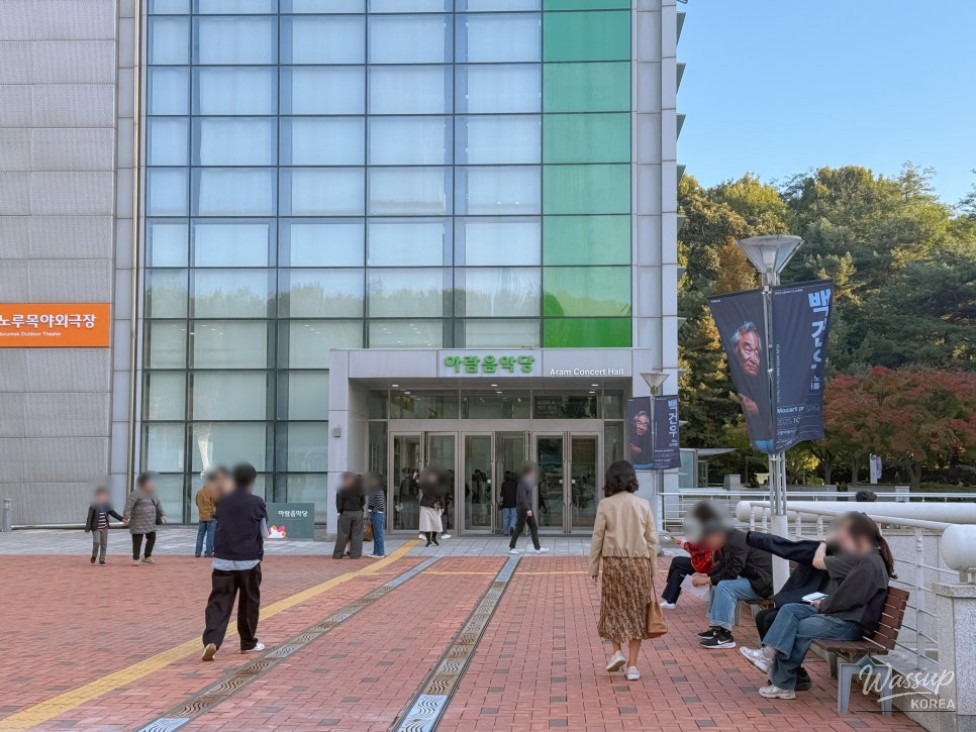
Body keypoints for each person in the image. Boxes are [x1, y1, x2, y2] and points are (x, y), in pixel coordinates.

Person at [739, 513, 895, 700]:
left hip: (849, 624)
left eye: (843, 537)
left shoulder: (870, 563)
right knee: (789, 609)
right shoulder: (865, 558)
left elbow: (850, 598)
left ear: (859, 538)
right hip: (840, 615)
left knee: (798, 627)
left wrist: (824, 605)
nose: (839, 541)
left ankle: (783, 684)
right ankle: (768, 655)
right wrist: (824, 604)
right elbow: (849, 596)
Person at [589, 460, 659, 682]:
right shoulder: (643, 504)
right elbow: (652, 540)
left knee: (612, 609)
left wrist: (593, 567)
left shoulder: (605, 505)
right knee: (637, 612)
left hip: (614, 564)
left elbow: (597, 537)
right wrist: (653, 569)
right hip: (639, 564)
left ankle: (616, 651)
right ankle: (633, 666)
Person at [739, 528, 833, 691]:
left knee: (771, 618)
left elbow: (789, 548)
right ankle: (792, 674)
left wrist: (755, 538)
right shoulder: (822, 549)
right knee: (763, 616)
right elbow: (790, 548)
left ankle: (788, 675)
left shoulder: (837, 554)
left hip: (821, 607)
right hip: (812, 602)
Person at [201, 462, 269, 662]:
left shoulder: (223, 501)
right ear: (252, 481)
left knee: (219, 602)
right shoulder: (257, 502)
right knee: (249, 602)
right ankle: (247, 643)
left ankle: (212, 641)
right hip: (248, 561)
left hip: (222, 561)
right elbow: (264, 532)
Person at [694, 520, 773, 649]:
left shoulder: (736, 542)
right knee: (716, 584)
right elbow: (725, 564)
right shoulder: (731, 538)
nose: (708, 545)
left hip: (764, 583)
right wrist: (708, 576)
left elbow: (733, 571)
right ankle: (717, 628)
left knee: (724, 587)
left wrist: (707, 580)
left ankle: (725, 636)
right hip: (756, 579)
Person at [123, 472, 166, 566]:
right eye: (149, 482)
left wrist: (163, 515)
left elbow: (158, 505)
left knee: (152, 538)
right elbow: (129, 506)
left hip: (150, 522)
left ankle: (147, 556)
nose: (151, 484)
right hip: (138, 522)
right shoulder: (136, 493)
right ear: (143, 484)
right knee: (137, 541)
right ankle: (136, 558)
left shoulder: (152, 493)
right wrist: (126, 517)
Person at [661, 536, 714, 609]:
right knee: (679, 571)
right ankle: (670, 601)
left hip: (704, 565)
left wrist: (682, 542)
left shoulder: (712, 536)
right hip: (704, 563)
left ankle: (670, 589)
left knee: (676, 561)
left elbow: (697, 549)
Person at [508, 462, 549, 555]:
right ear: (529, 473)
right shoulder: (523, 483)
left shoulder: (527, 482)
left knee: (533, 527)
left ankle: (537, 548)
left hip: (526, 508)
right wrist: (528, 509)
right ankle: (511, 547)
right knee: (519, 528)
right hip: (524, 509)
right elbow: (522, 498)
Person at [84, 485, 125, 565]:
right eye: (102, 495)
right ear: (97, 496)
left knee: (104, 544)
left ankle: (102, 560)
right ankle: (94, 555)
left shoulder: (106, 506)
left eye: (105, 495)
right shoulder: (93, 506)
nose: (105, 497)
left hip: (104, 527)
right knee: (97, 542)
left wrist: (122, 519)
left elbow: (113, 513)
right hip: (96, 528)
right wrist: (87, 528)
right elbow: (89, 518)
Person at [332, 473, 365, 559]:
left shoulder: (342, 489)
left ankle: (338, 554)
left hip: (346, 513)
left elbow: (338, 502)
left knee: (343, 534)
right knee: (357, 535)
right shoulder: (359, 489)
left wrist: (339, 511)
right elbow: (363, 502)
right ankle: (355, 554)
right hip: (358, 512)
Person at [194, 470, 220, 558]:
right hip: (211, 516)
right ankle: (208, 552)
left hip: (202, 516)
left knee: (200, 535)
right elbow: (216, 502)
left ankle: (197, 552)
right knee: (210, 535)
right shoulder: (212, 491)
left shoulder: (199, 492)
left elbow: (197, 503)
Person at [418, 468, 446, 547]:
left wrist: (443, 506)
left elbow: (442, 496)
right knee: (426, 524)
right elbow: (419, 486)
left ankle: (433, 538)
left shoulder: (439, 486)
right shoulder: (425, 484)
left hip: (435, 506)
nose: (432, 477)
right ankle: (428, 540)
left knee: (436, 523)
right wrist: (416, 478)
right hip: (426, 505)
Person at [366, 472, 386, 559]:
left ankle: (380, 552)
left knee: (378, 535)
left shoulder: (379, 491)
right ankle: (376, 552)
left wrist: (371, 510)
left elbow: (378, 503)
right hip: (375, 513)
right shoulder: (375, 490)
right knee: (376, 535)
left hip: (377, 513)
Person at [499, 471, 518, 536]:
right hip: (514, 503)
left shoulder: (503, 484)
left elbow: (502, 495)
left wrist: (501, 502)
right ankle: (512, 527)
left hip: (505, 503)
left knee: (506, 518)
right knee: (514, 516)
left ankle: (506, 532)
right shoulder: (515, 483)